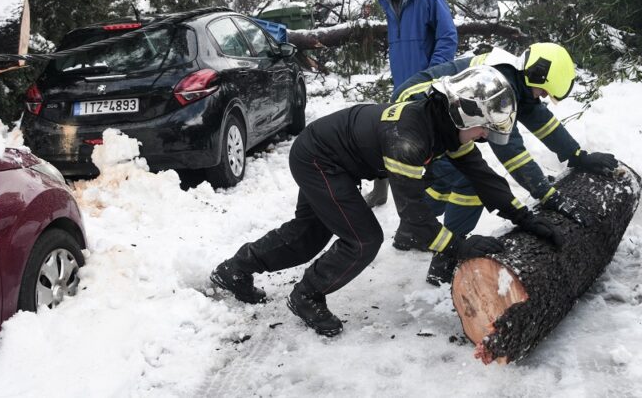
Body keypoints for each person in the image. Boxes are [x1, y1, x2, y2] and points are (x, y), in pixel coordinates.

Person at [210, 66, 562, 337]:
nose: (486, 135)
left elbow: (484, 178)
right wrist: (460, 246)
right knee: (362, 240)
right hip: (319, 158)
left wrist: (524, 217)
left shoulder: (443, 124)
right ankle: (306, 295)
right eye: (484, 127)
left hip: (334, 157)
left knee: (308, 234)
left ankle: (234, 270)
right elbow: (415, 221)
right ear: (466, 114)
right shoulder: (408, 140)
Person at [390, 43, 620, 284]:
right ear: (535, 75)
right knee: (469, 183)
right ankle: (446, 258)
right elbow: (511, 151)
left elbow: (542, 122)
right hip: (413, 110)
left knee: (443, 177)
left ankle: (410, 232)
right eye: (543, 92)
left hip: (433, 112)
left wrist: (576, 154)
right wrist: (547, 194)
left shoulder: (519, 77)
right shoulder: (501, 85)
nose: (543, 97)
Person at [364, 0, 458, 207]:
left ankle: (446, 192)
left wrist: (433, 75)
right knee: (396, 135)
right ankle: (385, 190)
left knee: (435, 140)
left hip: (428, 85)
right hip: (403, 85)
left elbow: (448, 36)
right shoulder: (389, 1)